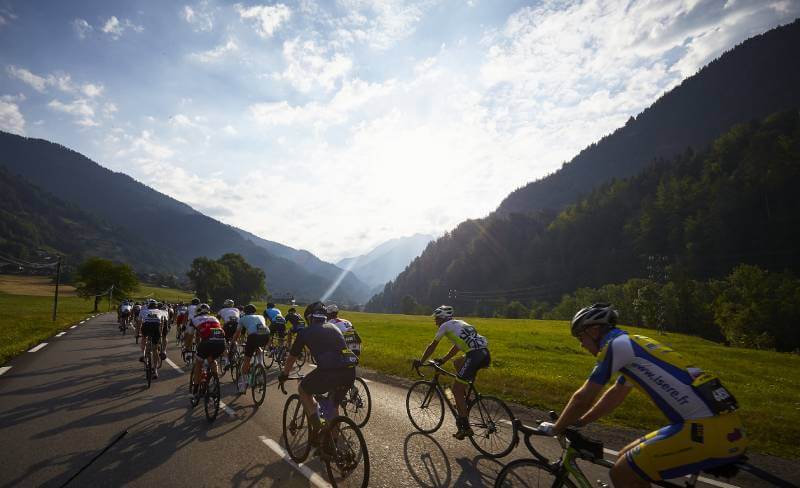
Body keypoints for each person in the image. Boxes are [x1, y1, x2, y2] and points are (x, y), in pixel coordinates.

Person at [538, 304, 747, 487]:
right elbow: (616, 394)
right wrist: (582, 421)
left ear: (594, 330)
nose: (581, 344)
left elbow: (584, 397)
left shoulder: (615, 346)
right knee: (623, 458)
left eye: (581, 337)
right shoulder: (632, 343)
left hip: (702, 429)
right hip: (723, 425)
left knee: (620, 473)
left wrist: (557, 427)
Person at [278, 302, 358, 447]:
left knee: (303, 389)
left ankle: (318, 425)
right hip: (349, 371)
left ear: (310, 318)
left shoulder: (305, 332)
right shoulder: (334, 327)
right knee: (333, 406)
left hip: (329, 372)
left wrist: (284, 374)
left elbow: (292, 357)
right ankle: (332, 445)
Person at [413, 305, 490, 440]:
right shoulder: (460, 324)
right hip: (484, 354)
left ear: (442, 318)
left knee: (455, 390)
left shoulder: (445, 326)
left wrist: (421, 361)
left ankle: (465, 427)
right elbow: (457, 347)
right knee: (457, 363)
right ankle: (465, 398)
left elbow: (432, 346)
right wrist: (443, 359)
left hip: (474, 356)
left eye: (436, 318)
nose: (435, 321)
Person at [189, 303, 226, 400]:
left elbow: (189, 334)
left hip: (207, 342)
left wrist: (188, 348)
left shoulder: (194, 319)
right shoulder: (214, 318)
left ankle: (195, 391)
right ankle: (215, 382)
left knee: (199, 364)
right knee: (212, 360)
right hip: (221, 342)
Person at [231, 304, 270, 392]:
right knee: (257, 347)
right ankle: (260, 366)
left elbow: (237, 333)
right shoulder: (260, 316)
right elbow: (260, 327)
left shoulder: (243, 318)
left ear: (245, 312)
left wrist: (232, 342)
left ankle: (243, 385)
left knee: (247, 360)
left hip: (253, 336)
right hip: (266, 335)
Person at [139, 301, 167, 377]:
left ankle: (143, 354)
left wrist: (138, 333)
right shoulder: (160, 311)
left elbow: (139, 322)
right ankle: (155, 370)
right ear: (156, 306)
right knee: (155, 349)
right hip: (156, 326)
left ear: (148, 306)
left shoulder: (143, 310)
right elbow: (162, 322)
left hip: (147, 325)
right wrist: (160, 333)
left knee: (144, 337)